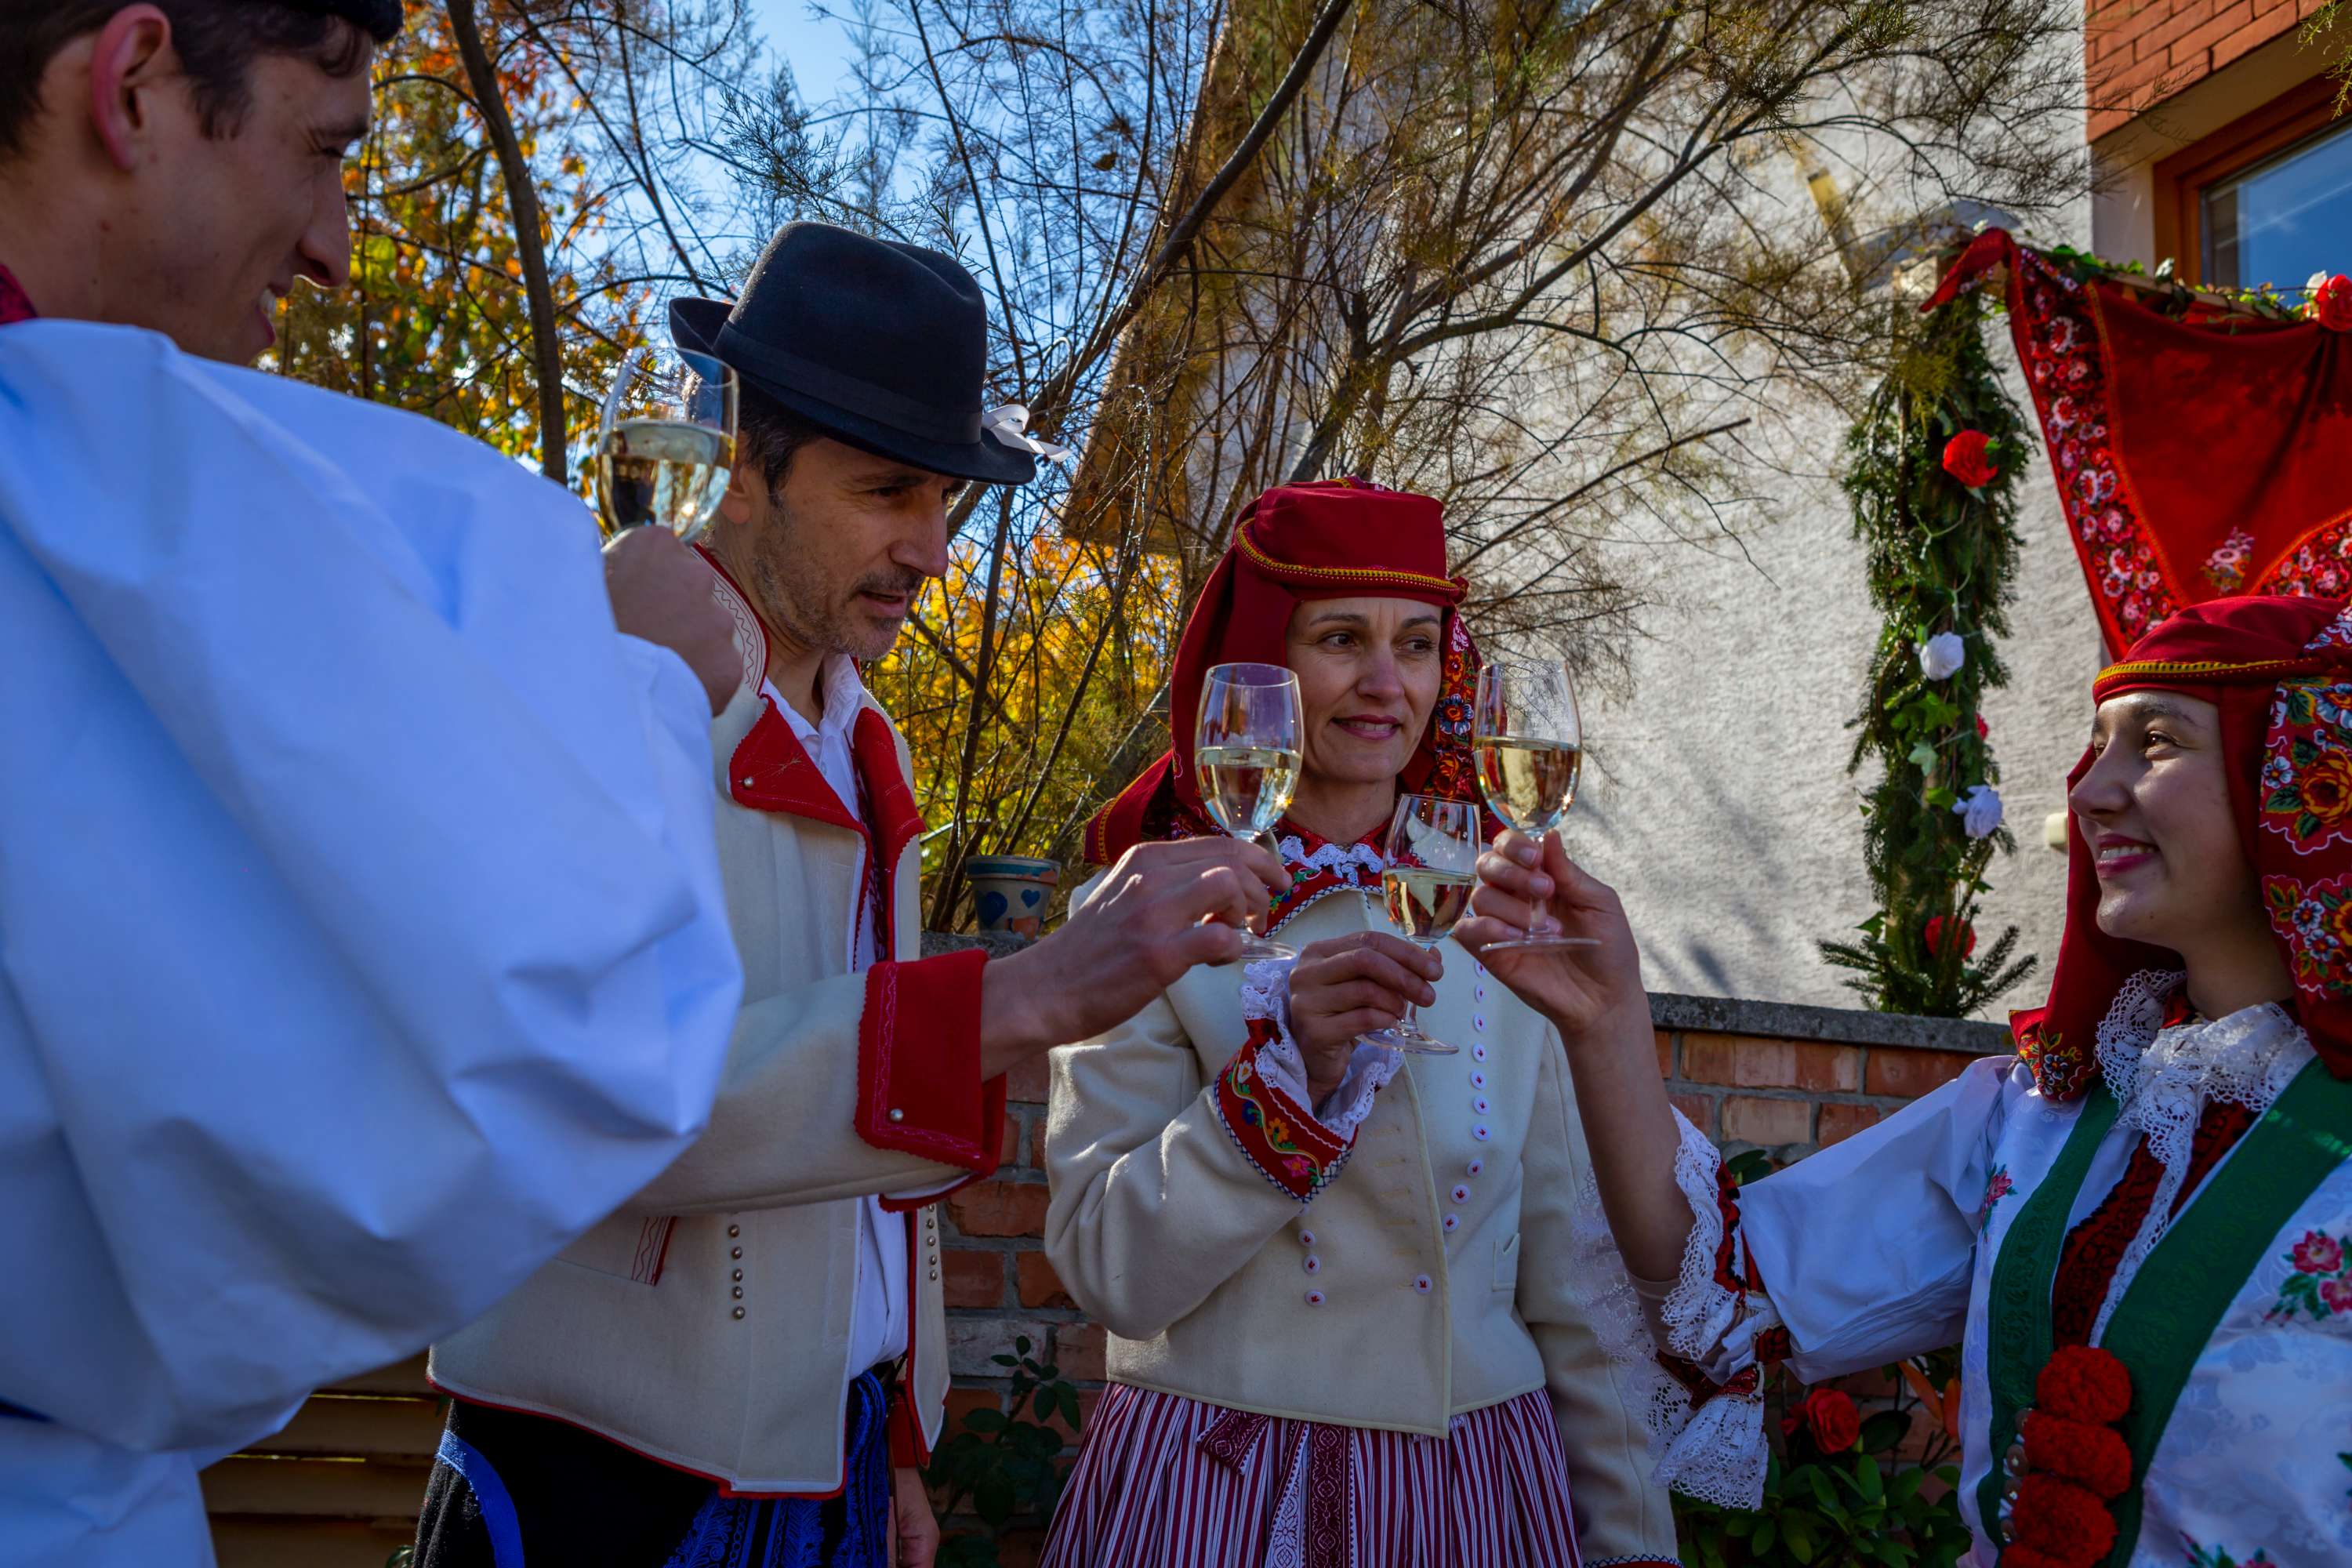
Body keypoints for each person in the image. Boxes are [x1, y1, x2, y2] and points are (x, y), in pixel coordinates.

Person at [0, 2, 765, 1564]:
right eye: (323, 147)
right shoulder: (108, 485)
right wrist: (641, 690)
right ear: (133, 85)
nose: (337, 245)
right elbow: (563, 1037)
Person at [414, 222, 1290, 1568]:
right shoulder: (609, 671)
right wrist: (1027, 996)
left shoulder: (864, 731)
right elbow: (607, 1096)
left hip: (830, 1463)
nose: (932, 548)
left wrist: (893, 1436)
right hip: (610, 1475)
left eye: (944, 497)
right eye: (887, 491)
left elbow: (856, 1181)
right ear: (738, 467)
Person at [1461, 594, 2352, 1563]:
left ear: (2306, 778)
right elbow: (1731, 1289)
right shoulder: (2039, 1117)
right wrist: (1605, 1021)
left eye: (2159, 741)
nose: (2091, 788)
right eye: (2096, 744)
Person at [1035, 480, 1682, 1568]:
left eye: (1418, 644)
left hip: (1477, 1496)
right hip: (1225, 1494)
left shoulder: (1503, 915)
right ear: (1264, 668)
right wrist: (1281, 1082)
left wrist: (1632, 1541)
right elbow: (1111, 1273)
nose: (1388, 683)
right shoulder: (1144, 912)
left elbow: (1577, 1284)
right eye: (1341, 639)